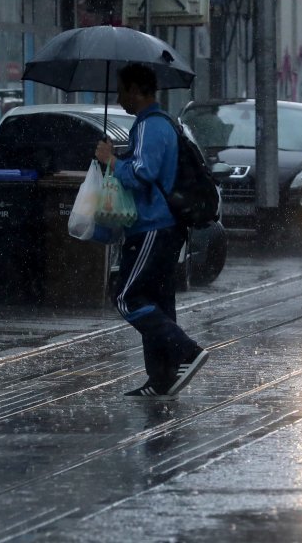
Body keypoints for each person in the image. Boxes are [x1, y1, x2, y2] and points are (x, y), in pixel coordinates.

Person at [95, 62, 208, 400]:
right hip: (167, 226)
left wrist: (110, 160)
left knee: (125, 296)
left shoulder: (148, 127)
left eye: (121, 90)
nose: (119, 98)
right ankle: (161, 378)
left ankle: (186, 350)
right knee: (157, 299)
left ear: (136, 90)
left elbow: (142, 173)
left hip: (152, 226)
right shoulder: (161, 125)